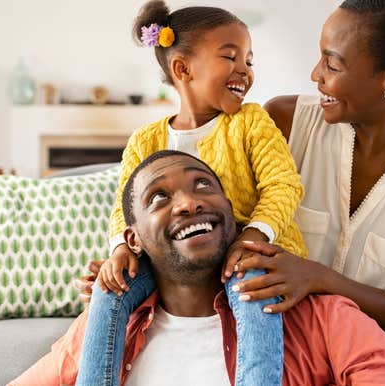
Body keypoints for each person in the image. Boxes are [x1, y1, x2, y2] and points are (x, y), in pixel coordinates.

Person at [10, 150, 385, 386]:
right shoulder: (104, 328)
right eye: (158, 197)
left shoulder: (322, 317)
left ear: (233, 214)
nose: (189, 202)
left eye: (203, 185)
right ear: (132, 239)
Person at [222, 0, 385, 358]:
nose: (316, 74)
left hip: (372, 340)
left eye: (332, 64)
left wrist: (317, 277)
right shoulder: (283, 121)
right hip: (275, 324)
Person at [79, 2, 306, 385]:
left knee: (252, 289)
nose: (245, 71)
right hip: (172, 263)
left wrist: (252, 237)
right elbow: (126, 207)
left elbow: (283, 184)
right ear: (182, 69)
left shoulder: (251, 122)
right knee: (109, 290)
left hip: (247, 249)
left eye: (249, 60)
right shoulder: (145, 140)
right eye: (230, 57)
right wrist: (120, 249)